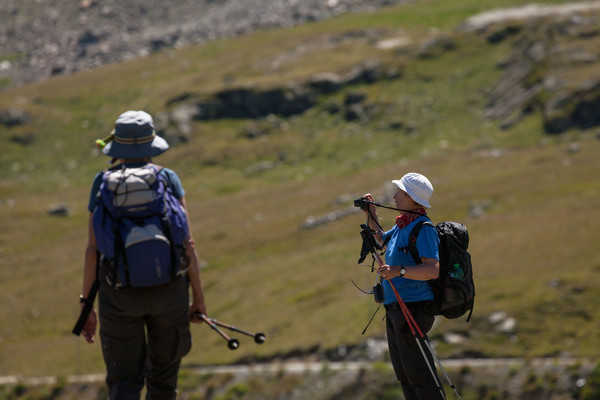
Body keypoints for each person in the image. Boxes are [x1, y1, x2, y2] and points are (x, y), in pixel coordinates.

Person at [79, 110, 207, 400]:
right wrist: (198, 300)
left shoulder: (102, 183)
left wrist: (87, 307)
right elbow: (188, 243)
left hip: (119, 295)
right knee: (163, 384)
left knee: (124, 385)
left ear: (118, 147)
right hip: (169, 292)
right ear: (151, 145)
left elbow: (92, 251)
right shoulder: (168, 179)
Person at [361, 172, 445, 400]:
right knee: (405, 376)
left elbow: (432, 269)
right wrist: (372, 214)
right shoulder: (401, 226)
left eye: (400, 192)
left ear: (412, 198)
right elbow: (380, 239)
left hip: (413, 310)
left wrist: (399, 271)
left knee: (420, 376)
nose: (395, 196)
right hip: (396, 309)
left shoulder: (423, 228)